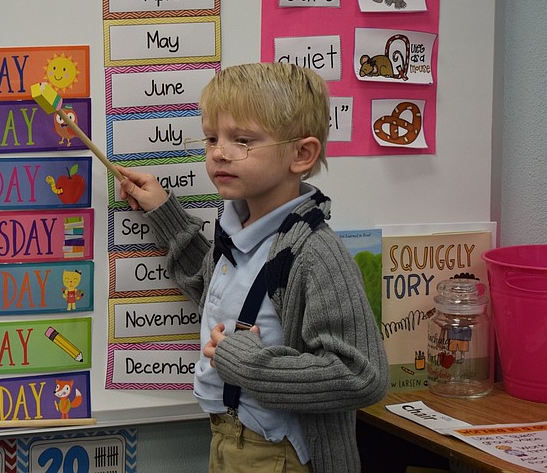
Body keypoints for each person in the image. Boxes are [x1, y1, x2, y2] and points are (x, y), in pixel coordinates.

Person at [117, 62, 388, 473]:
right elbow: (211, 289)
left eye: (242, 140)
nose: (219, 152)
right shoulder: (239, 230)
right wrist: (164, 212)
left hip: (281, 453)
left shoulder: (315, 253)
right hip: (227, 439)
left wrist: (249, 365)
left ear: (302, 154)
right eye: (211, 138)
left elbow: (361, 374)